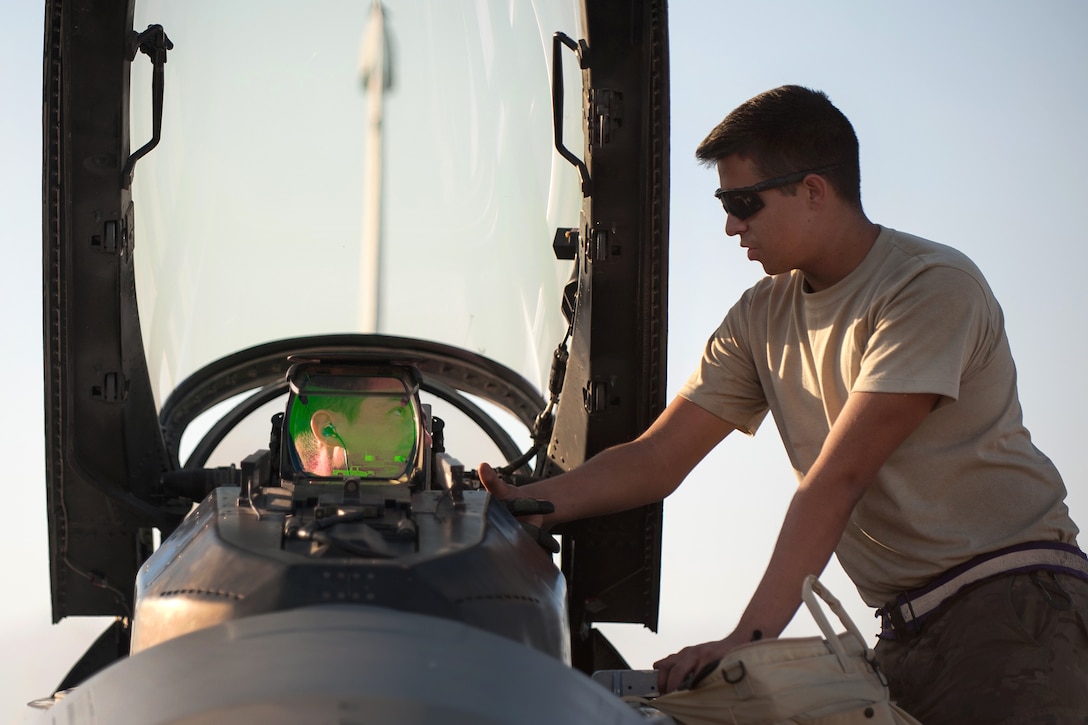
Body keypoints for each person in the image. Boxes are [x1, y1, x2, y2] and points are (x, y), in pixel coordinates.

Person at [480, 85, 1088, 723]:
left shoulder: (929, 288)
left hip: (1013, 608)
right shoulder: (760, 315)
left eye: (745, 203)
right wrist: (526, 505)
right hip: (901, 632)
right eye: (724, 203)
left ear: (814, 192)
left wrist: (746, 644)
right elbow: (656, 458)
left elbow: (839, 477)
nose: (730, 225)